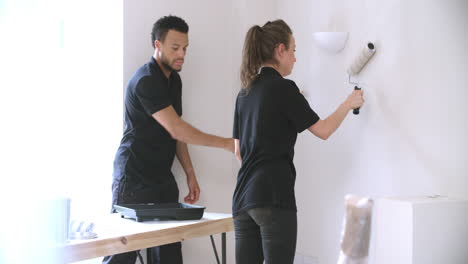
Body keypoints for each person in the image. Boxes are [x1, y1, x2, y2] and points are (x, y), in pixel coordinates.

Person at [232, 20, 364, 264]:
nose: (295, 58)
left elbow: (239, 151)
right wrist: (348, 103)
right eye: (293, 50)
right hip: (273, 197)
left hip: (242, 199)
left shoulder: (245, 92)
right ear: (279, 50)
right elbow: (323, 130)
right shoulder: (283, 88)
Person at [104, 15, 233, 264]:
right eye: (175, 47)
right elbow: (177, 129)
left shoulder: (174, 80)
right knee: (122, 254)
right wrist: (227, 143)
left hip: (161, 178)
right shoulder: (146, 81)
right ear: (157, 45)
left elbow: (176, 132)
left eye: (185, 48)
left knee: (169, 254)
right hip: (133, 178)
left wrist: (190, 173)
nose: (181, 54)